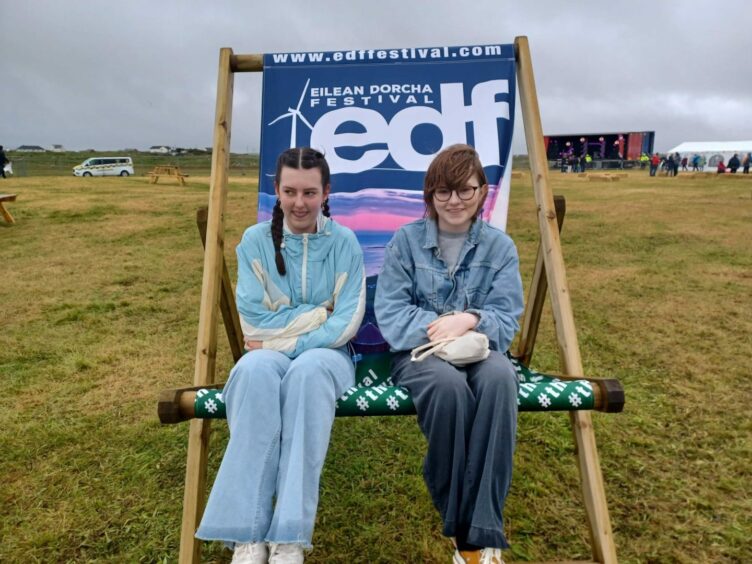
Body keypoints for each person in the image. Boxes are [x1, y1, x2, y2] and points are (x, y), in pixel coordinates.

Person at [196, 148, 366, 564]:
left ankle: (289, 534)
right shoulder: (254, 242)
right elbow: (253, 325)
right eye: (289, 191)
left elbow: (346, 323)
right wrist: (314, 315)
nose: (299, 203)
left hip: (329, 356)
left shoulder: (344, 242)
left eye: (310, 192)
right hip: (268, 355)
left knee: (306, 374)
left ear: (326, 192)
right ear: (276, 189)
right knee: (253, 370)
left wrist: (289, 338)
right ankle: (247, 533)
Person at [375, 144, 523, 564]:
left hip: (481, 348)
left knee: (499, 380)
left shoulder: (500, 247)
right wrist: (443, 329)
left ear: (482, 192)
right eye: (443, 192)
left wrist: (470, 320)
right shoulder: (406, 242)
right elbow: (390, 312)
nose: (454, 201)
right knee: (448, 388)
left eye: (465, 190)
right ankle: (465, 531)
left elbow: (506, 319)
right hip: (418, 354)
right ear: (429, 195)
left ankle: (482, 528)